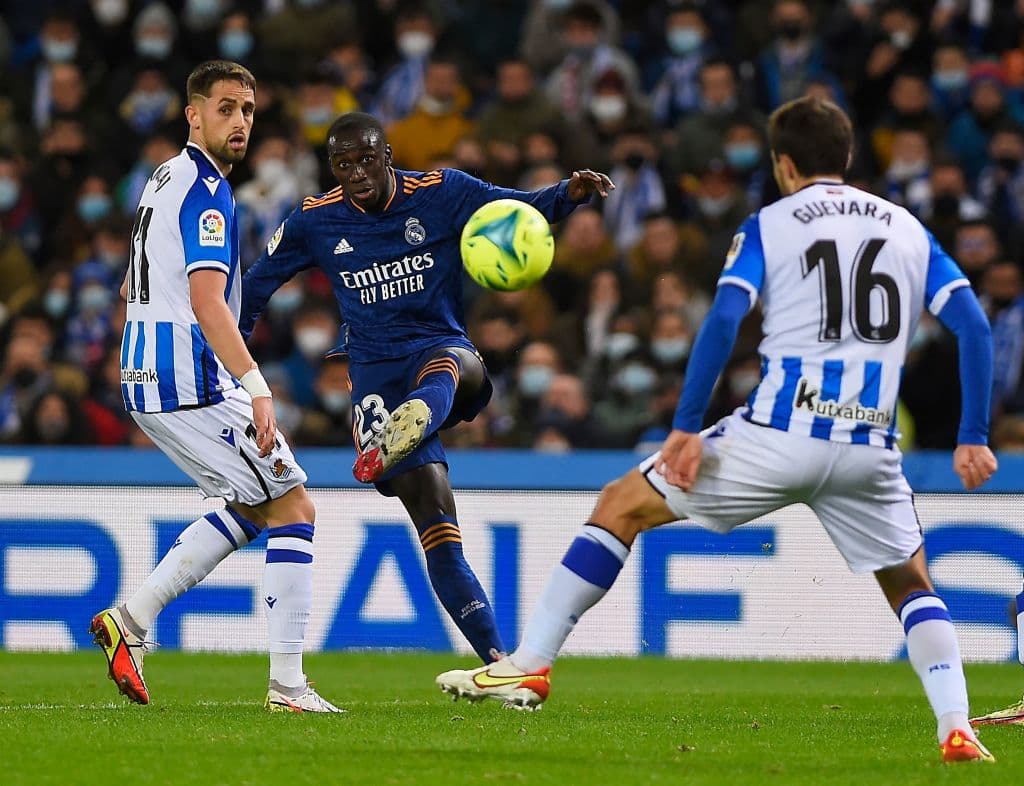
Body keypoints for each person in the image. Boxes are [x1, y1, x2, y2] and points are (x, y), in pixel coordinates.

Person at [436, 97, 998, 765]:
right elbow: (974, 327)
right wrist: (973, 434)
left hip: (779, 433)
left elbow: (725, 319)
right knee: (911, 585)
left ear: (785, 166)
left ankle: (528, 662)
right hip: (869, 446)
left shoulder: (772, 223)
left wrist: (684, 426)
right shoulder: (907, 228)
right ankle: (956, 727)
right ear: (845, 158)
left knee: (621, 505)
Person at [240, 111, 612, 665]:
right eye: (342, 164)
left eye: (366, 159)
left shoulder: (442, 191)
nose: (356, 172)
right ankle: (499, 665)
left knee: (454, 363)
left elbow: (513, 209)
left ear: (387, 156)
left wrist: (569, 194)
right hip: (373, 376)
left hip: (441, 351)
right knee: (438, 525)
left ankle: (412, 417)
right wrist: (230, 355)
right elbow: (254, 287)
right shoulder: (315, 220)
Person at [88, 60, 339, 714]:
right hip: (188, 377)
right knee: (294, 508)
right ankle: (287, 686)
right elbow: (207, 302)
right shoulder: (206, 189)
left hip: (146, 371)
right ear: (192, 115)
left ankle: (132, 620)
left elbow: (131, 282)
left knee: (255, 503)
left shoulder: (162, 177)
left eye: (248, 110)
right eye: (225, 108)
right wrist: (255, 384)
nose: (239, 121)